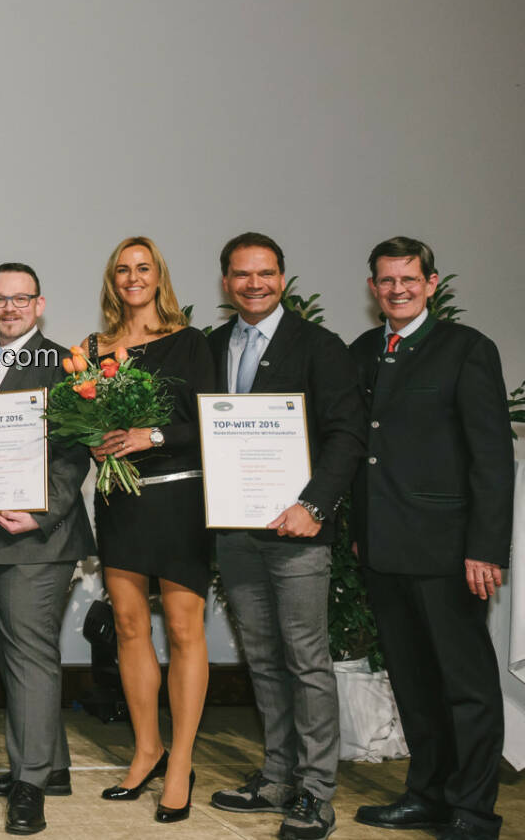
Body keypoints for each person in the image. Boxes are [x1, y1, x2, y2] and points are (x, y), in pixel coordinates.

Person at [349, 237, 513, 840]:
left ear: (432, 283)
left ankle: (473, 811)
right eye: (387, 281)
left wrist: (487, 547)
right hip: (384, 548)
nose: (398, 290)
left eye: (409, 280)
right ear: (373, 287)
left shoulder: (466, 349)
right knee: (413, 682)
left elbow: (492, 459)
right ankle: (427, 794)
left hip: (450, 552)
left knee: (465, 686)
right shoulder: (365, 351)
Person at [206, 233, 365, 840]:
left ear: (283, 278)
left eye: (265, 273)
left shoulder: (320, 346)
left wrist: (313, 504)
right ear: (226, 282)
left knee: (305, 658)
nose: (254, 284)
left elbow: (347, 434)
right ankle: (276, 777)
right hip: (237, 530)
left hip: (297, 530)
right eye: (242, 275)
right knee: (265, 659)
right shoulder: (213, 344)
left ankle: (316, 792)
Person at [0, 263, 94, 836]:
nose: (9, 309)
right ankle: (50, 766)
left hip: (38, 537)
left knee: (30, 657)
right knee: (19, 654)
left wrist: (38, 512)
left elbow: (73, 454)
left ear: (39, 305)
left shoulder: (65, 366)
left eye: (20, 299)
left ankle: (29, 784)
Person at [86, 236, 214, 824]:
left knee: (185, 631)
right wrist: (90, 436)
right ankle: (147, 749)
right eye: (122, 270)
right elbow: (76, 422)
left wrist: (151, 437)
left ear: (159, 276)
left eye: (143, 268)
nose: (132, 278)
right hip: (120, 499)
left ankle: (182, 761)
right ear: (112, 281)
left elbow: (210, 422)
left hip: (179, 497)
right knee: (131, 627)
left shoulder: (192, 344)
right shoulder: (91, 349)